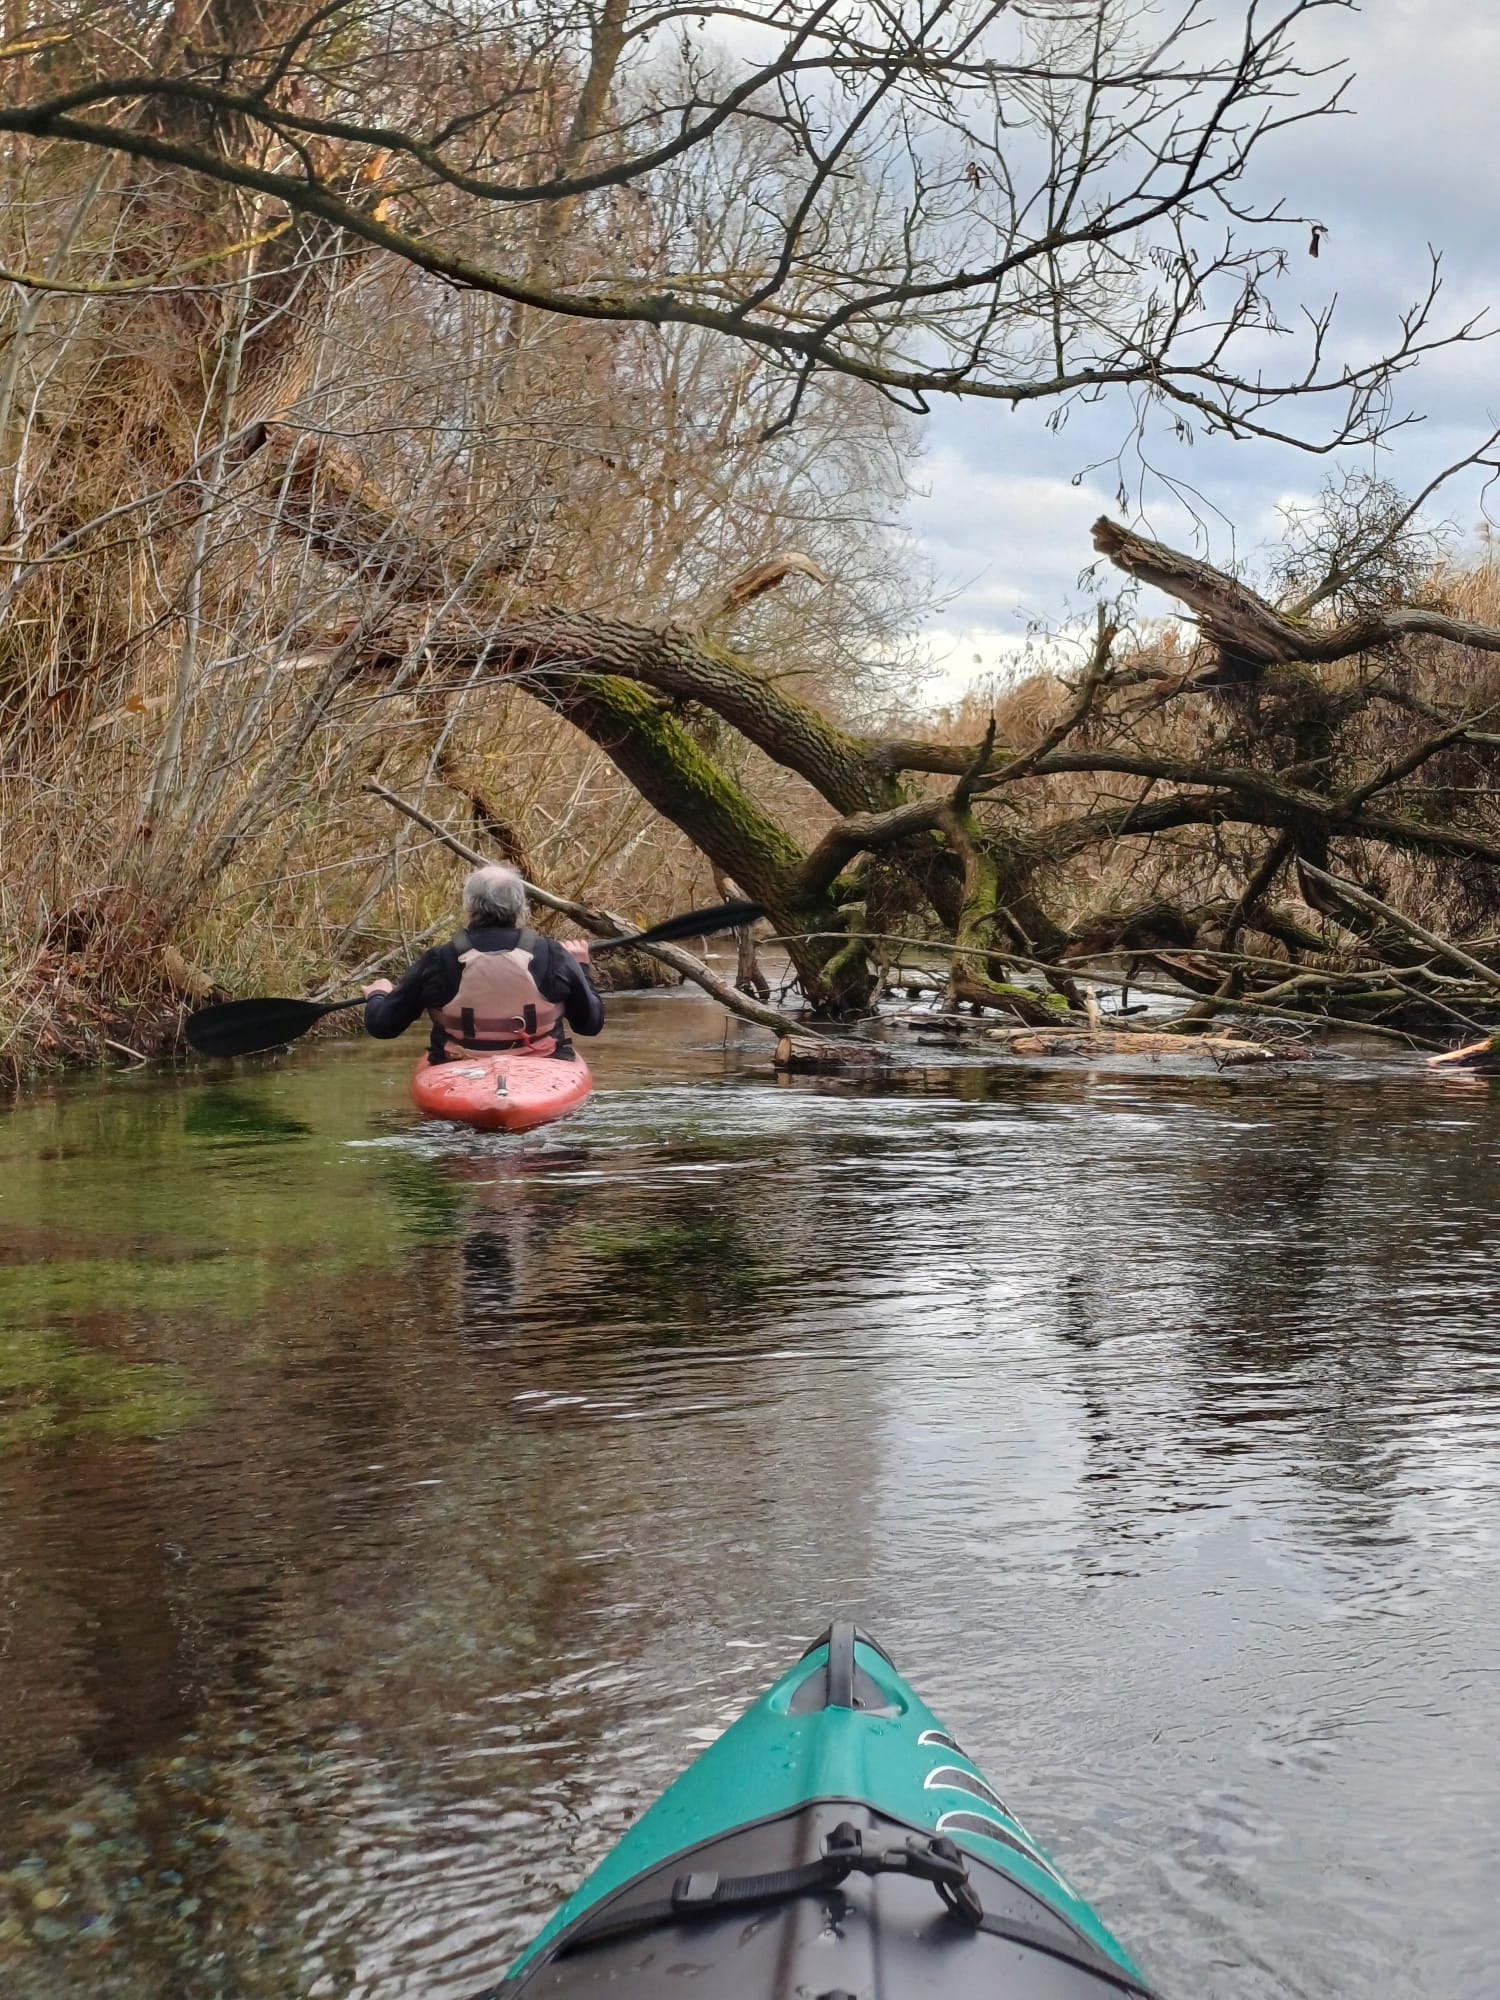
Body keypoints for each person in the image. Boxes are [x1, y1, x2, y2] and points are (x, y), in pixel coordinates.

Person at [363, 864, 604, 1063]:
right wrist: (581, 967)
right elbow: (590, 1024)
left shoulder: (438, 960)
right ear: (521, 906)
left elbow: (383, 1027)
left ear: (468, 906)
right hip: (543, 1064)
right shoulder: (555, 956)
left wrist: (377, 994)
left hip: (459, 1067)